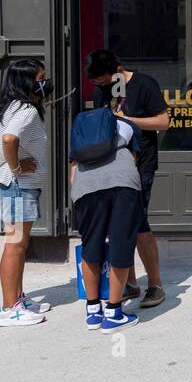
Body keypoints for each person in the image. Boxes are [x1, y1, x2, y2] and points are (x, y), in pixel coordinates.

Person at [84, 50, 170, 308]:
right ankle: (130, 283)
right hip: (110, 165)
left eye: (103, 80)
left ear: (118, 70)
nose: (101, 85)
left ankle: (155, 285)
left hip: (140, 165)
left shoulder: (144, 84)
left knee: (139, 223)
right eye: (97, 82)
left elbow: (163, 122)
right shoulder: (103, 89)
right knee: (117, 225)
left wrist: (127, 121)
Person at [0, 58, 53, 327]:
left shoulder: (15, 106)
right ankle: (7, 309)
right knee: (15, 244)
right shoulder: (26, 110)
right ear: (27, 82)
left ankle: (17, 298)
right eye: (40, 79)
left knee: (19, 244)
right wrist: (16, 167)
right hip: (15, 186)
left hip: (17, 186)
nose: (45, 83)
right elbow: (9, 139)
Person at [70, 113, 142, 331]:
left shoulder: (82, 128)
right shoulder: (128, 124)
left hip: (85, 186)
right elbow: (135, 157)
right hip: (122, 182)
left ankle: (93, 311)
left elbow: (73, 169)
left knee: (90, 245)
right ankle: (114, 312)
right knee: (121, 244)